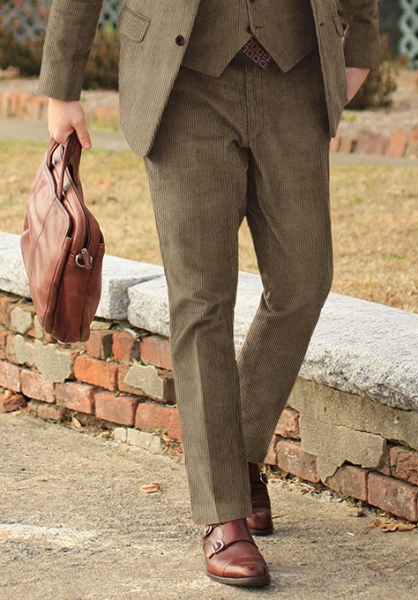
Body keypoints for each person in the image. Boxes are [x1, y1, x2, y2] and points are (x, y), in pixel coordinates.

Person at [38, 0, 380, 588]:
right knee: (201, 299)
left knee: (304, 281)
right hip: (182, 83)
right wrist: (61, 85)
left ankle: (240, 451)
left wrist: (361, 45)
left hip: (295, 75)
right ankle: (223, 512)